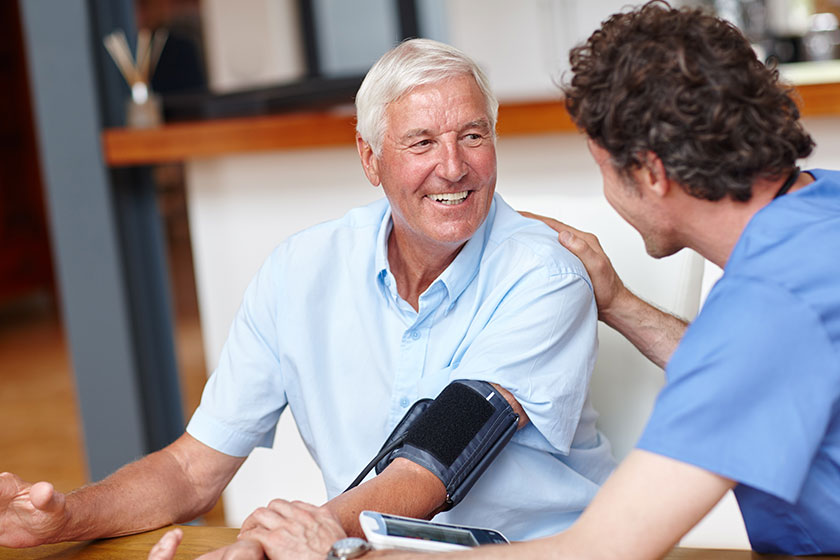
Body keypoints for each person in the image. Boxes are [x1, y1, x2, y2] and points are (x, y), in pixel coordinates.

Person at [207, 2, 840, 558]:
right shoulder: (821, 214)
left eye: (603, 169)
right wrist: (618, 303)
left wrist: (347, 555)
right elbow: (768, 368)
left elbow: (606, 547)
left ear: (649, 173)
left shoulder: (764, 312)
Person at [0, 38, 616, 557]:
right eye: (421, 142)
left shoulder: (544, 273)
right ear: (370, 160)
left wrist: (283, 540)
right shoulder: (300, 272)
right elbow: (193, 470)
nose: (453, 167)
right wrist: (66, 519)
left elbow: (435, 465)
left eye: (473, 135)